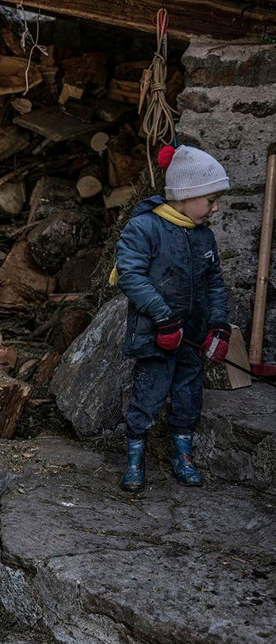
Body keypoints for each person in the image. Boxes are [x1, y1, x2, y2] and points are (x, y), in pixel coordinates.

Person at [114, 144, 231, 492]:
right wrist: (163, 319)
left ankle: (183, 457)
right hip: (157, 336)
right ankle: (135, 461)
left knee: (188, 397)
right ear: (187, 194)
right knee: (148, 397)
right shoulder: (144, 228)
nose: (215, 208)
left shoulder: (204, 236)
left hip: (192, 338)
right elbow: (130, 276)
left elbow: (215, 283)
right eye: (210, 200)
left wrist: (219, 326)